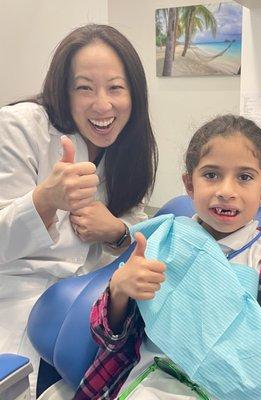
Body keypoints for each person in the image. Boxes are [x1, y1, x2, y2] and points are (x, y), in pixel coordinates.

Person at [73, 115, 261, 400]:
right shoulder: (163, 242)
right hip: (147, 384)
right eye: (211, 175)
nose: (226, 191)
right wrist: (119, 291)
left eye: (244, 177)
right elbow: (106, 336)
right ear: (189, 184)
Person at [0, 23, 158, 395]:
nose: (102, 105)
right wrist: (43, 202)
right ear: (63, 92)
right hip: (18, 301)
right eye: (84, 87)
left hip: (87, 302)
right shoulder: (20, 128)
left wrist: (115, 229)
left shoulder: (128, 146)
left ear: (133, 94)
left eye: (116, 88)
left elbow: (135, 227)